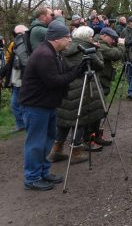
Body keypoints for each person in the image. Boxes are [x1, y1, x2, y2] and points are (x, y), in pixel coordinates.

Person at [19, 20, 84, 191]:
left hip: (47, 105)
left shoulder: (54, 53)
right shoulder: (44, 55)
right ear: (56, 39)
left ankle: (43, 172)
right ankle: (32, 178)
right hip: (36, 106)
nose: (70, 40)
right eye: (67, 37)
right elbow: (54, 81)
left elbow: (62, 74)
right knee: (35, 143)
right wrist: (76, 72)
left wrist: (78, 69)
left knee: (47, 141)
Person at [49, 26, 106, 160]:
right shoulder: (86, 49)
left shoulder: (66, 47)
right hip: (82, 88)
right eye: (91, 36)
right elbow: (100, 65)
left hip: (66, 87)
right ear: (87, 37)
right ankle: (76, 152)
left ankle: (56, 150)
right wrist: (96, 49)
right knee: (79, 120)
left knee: (64, 120)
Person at [93, 27, 124, 146]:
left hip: (103, 80)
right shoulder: (99, 45)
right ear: (104, 36)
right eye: (112, 38)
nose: (113, 41)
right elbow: (116, 54)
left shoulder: (101, 43)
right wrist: (121, 45)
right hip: (99, 81)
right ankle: (92, 137)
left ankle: (97, 135)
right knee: (98, 109)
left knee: (101, 109)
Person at [4, 25, 29, 132]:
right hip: (16, 81)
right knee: (15, 105)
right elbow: (9, 63)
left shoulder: (28, 46)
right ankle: (22, 124)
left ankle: (25, 124)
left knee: (21, 105)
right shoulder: (14, 46)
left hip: (23, 80)